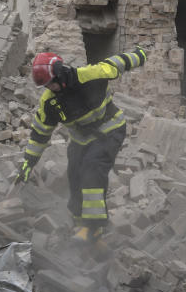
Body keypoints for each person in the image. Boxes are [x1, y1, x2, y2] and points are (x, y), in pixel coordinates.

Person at [13, 47, 148, 240]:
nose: (49, 89)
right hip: (81, 139)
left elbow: (116, 64)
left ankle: (93, 228)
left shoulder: (89, 76)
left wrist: (140, 55)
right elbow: (39, 134)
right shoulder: (49, 103)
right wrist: (28, 163)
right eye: (46, 86)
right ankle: (78, 221)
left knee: (92, 168)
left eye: (51, 84)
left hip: (109, 130)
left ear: (60, 74)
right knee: (75, 175)